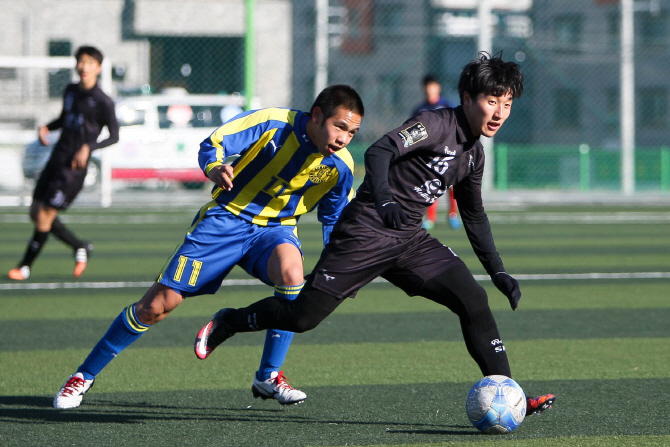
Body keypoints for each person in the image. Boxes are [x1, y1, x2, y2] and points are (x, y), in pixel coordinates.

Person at [195, 53, 556, 416]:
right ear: (467, 98)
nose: (499, 113)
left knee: (474, 300)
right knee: (302, 318)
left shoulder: (473, 154)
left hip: (409, 240)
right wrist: (384, 201)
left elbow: (474, 215)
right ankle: (231, 320)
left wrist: (498, 272)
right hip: (366, 231)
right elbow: (380, 150)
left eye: (506, 103)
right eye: (491, 101)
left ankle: (512, 397)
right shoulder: (433, 123)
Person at [52, 84, 364, 409]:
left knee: (292, 279)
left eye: (352, 132)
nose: (343, 138)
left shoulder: (340, 166)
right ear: (317, 115)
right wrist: (214, 167)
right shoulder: (273, 123)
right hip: (225, 221)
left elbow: (336, 219)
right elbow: (214, 142)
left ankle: (268, 376)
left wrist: (338, 264)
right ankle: (83, 376)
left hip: (275, 230)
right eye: (339, 126)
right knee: (156, 306)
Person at [8, 46, 119, 281]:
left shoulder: (103, 101)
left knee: (45, 213)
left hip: (73, 169)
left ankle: (24, 267)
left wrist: (89, 146)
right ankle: (80, 246)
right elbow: (64, 118)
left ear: (98, 68)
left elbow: (114, 135)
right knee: (35, 212)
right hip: (57, 158)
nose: (84, 66)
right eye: (81, 61)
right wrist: (47, 126)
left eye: (90, 62)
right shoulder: (70, 90)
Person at [412, 75, 460, 231]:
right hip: (428, 154)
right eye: (427, 86)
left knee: (452, 184)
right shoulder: (420, 109)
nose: (429, 90)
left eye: (432, 86)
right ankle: (430, 218)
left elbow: (456, 126)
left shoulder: (447, 106)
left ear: (438, 88)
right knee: (431, 184)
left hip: (447, 151)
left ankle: (453, 215)